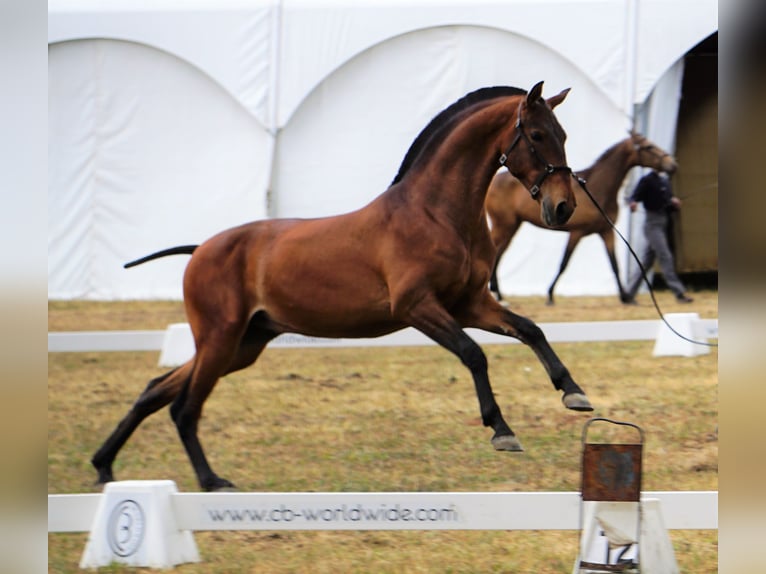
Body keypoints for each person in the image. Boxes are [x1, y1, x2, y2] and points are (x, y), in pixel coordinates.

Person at [624, 169, 693, 303]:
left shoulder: (665, 181)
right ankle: (679, 293)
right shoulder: (647, 180)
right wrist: (633, 204)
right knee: (665, 256)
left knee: (646, 263)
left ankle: (628, 294)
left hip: (663, 222)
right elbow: (634, 197)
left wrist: (674, 203)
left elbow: (667, 203)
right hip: (652, 224)